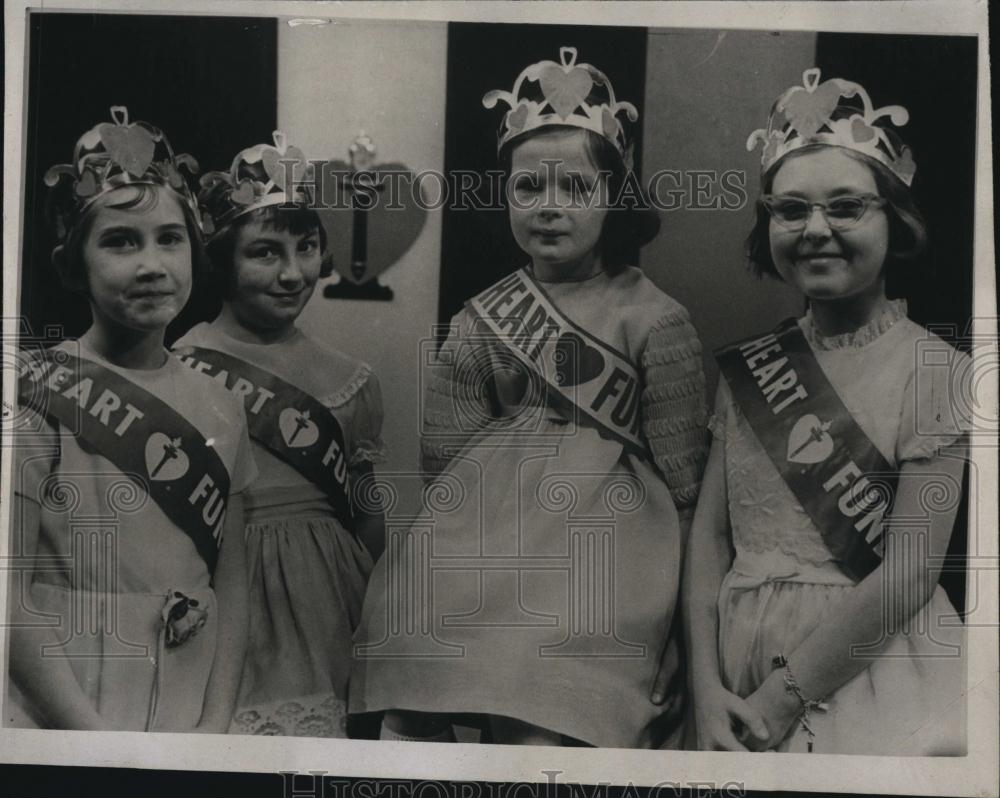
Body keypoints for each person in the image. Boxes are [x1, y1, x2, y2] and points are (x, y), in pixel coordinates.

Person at [351, 47, 706, 748]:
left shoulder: (656, 321)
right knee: (411, 700)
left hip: (604, 564)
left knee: (543, 728)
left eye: (575, 188)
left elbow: (686, 484)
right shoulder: (483, 315)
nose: (548, 208)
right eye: (527, 189)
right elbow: (443, 460)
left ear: (615, 197)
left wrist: (682, 629)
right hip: (480, 548)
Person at [684, 69, 970, 755]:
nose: (816, 230)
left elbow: (908, 571)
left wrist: (782, 701)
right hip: (730, 667)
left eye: (845, 208)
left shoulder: (937, 371)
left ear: (892, 222)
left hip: (866, 673)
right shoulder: (748, 369)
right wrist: (703, 689)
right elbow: (708, 543)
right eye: (791, 211)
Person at [8, 107, 255, 732]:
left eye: (169, 239)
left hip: (186, 700)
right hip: (62, 699)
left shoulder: (223, 402)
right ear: (73, 265)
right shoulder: (34, 390)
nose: (151, 264)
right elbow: (6, 596)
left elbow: (236, 587)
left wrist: (215, 727)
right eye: (120, 241)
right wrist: (88, 737)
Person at [173, 132, 385, 737]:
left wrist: (388, 609)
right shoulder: (177, 365)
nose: (293, 273)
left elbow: (368, 513)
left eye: (308, 248)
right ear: (222, 262)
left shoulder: (353, 379)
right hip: (226, 592)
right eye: (265, 253)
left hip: (333, 598)